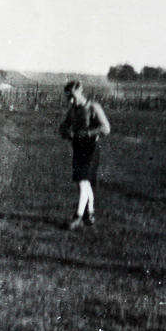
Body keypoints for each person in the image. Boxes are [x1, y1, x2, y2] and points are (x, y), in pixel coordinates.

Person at [58, 80, 111, 229]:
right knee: (84, 183)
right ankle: (90, 214)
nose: (71, 101)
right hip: (78, 148)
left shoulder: (93, 107)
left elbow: (106, 128)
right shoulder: (72, 110)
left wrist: (87, 133)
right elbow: (62, 127)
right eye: (68, 97)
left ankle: (78, 217)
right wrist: (66, 132)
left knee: (83, 182)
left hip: (91, 148)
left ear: (80, 92)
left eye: (73, 96)